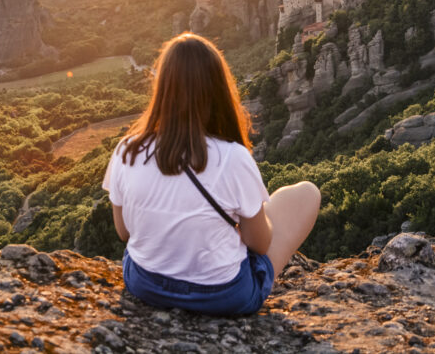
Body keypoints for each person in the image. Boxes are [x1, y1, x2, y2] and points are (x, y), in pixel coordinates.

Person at [102, 32, 321, 316]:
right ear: (218, 89)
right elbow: (260, 243)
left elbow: (124, 231)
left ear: (163, 88)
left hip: (144, 285)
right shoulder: (232, 157)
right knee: (306, 194)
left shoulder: (127, 149)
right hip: (223, 297)